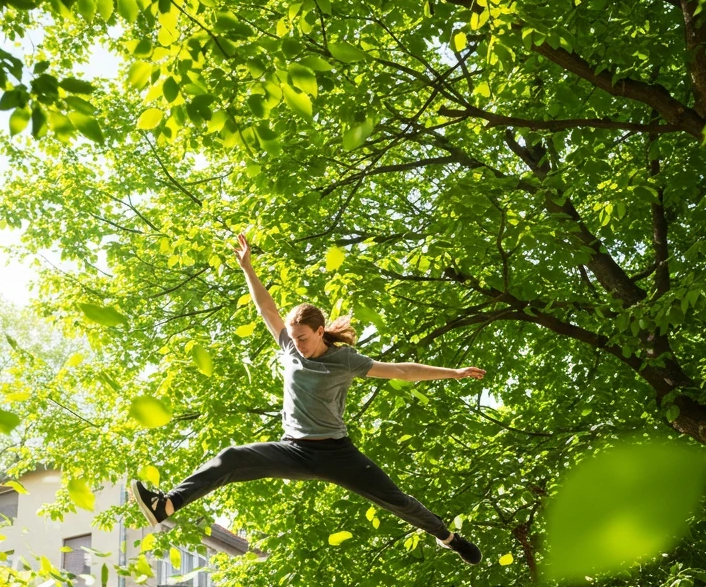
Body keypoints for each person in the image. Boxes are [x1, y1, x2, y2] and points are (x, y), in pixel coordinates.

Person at [131, 232, 486, 563]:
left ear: (320, 332)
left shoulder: (346, 360)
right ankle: (167, 505)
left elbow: (402, 371)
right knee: (232, 458)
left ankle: (447, 537)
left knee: (395, 499)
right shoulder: (289, 348)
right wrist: (248, 269)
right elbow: (267, 310)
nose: (296, 344)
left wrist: (452, 373)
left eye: (303, 338)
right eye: (293, 337)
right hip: (295, 450)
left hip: (338, 453)